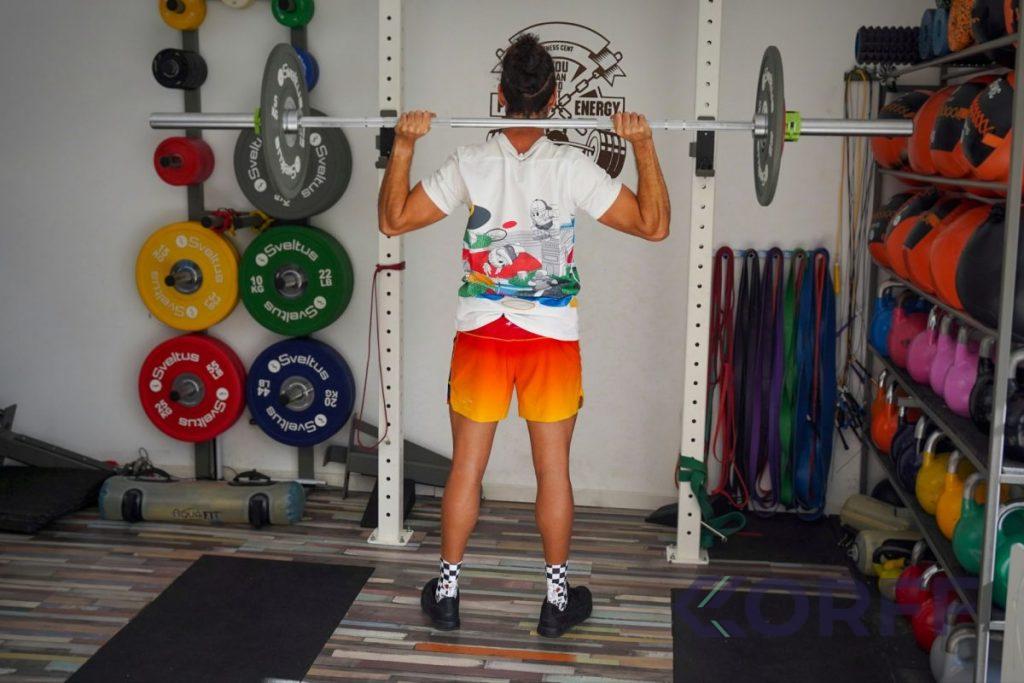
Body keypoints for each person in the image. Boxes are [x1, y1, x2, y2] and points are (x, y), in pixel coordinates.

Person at [377, 33, 670, 638]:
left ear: (499, 94)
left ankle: (448, 594)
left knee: (466, 468)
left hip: (482, 337)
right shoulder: (571, 166)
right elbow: (654, 224)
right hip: (549, 341)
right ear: (554, 97)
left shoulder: (470, 161)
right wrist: (643, 145)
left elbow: (393, 219)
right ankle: (555, 602)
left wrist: (403, 145)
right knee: (553, 471)